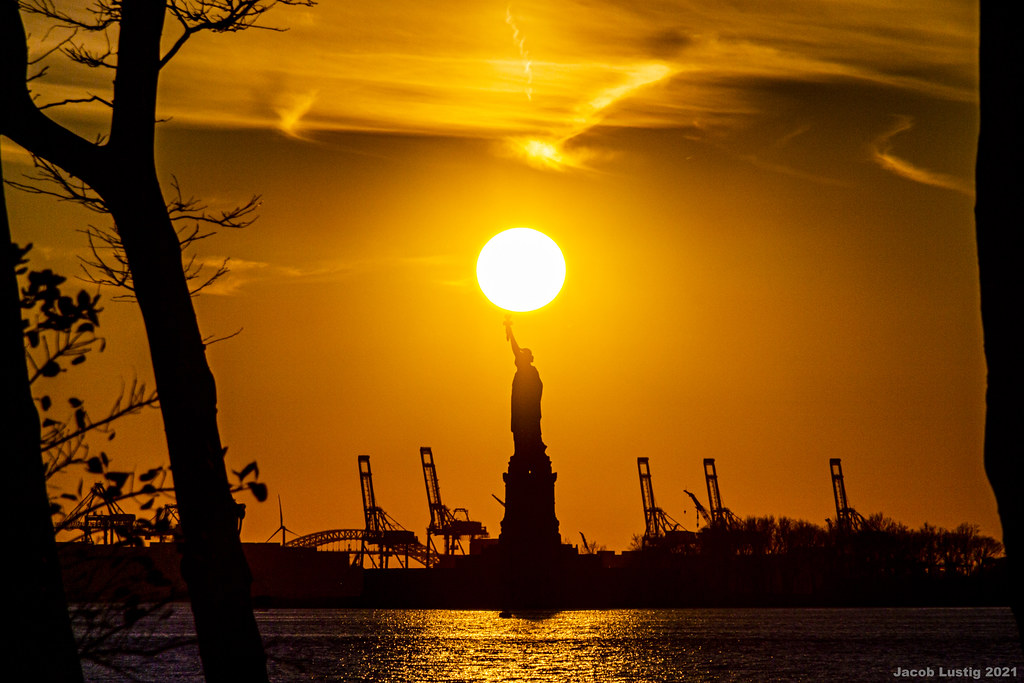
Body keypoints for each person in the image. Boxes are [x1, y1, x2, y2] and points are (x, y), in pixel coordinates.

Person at [504, 318, 545, 456]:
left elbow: (538, 389)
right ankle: (522, 451)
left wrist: (510, 331)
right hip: (521, 408)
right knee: (520, 430)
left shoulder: (530, 371)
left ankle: (531, 448)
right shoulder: (526, 371)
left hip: (528, 409)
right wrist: (510, 330)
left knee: (529, 428)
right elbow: (516, 349)